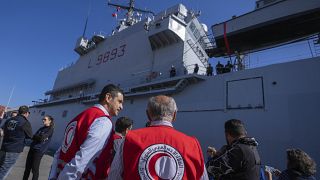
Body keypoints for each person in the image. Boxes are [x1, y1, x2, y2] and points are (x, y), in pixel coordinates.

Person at [109, 95, 209, 180]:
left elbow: (114, 176)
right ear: (174, 115)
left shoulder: (130, 140)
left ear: (148, 115)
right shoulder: (192, 144)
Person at [48, 84, 124, 180]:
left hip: (60, 173)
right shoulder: (103, 121)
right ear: (108, 98)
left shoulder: (81, 116)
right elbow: (83, 159)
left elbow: (59, 151)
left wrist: (53, 176)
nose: (121, 107)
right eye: (119, 101)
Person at [0, 105, 33, 179]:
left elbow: (3, 130)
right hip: (14, 149)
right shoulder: (25, 122)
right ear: (26, 113)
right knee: (4, 170)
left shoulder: (9, 120)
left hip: (4, 147)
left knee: (1, 167)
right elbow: (30, 136)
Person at [23, 115, 54, 180]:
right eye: (43, 119)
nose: (43, 120)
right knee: (27, 168)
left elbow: (41, 138)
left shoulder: (50, 129)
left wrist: (37, 137)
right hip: (32, 148)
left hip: (39, 151)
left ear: (49, 121)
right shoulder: (41, 128)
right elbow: (33, 136)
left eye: (45, 119)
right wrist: (38, 137)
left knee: (34, 169)